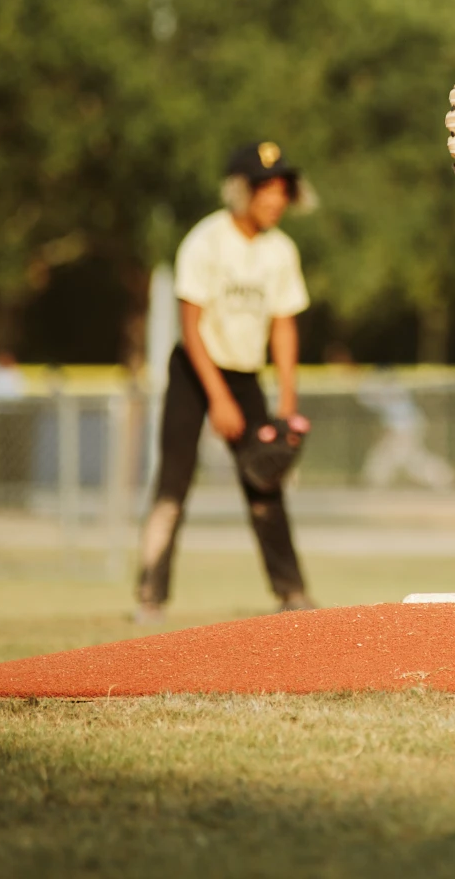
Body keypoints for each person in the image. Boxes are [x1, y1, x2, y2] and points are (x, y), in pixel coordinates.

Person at [135, 141, 316, 622]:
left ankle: (292, 593)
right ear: (241, 191)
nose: (276, 199)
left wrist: (288, 402)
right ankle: (150, 594)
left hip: (245, 375)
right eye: (265, 189)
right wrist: (216, 399)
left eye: (282, 189)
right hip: (194, 372)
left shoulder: (280, 250)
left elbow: (283, 325)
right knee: (173, 484)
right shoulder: (206, 240)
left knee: (265, 480)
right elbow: (190, 327)